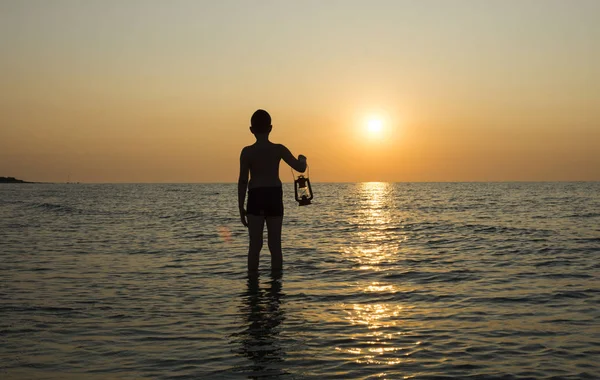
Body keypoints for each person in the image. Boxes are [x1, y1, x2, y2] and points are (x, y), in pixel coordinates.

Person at [238, 109, 307, 274]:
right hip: (274, 196)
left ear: (251, 130)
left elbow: (242, 181)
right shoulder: (279, 149)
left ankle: (252, 287)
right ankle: (276, 290)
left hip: (255, 197)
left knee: (255, 245)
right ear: (270, 128)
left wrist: (241, 207)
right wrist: (303, 158)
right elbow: (300, 167)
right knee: (275, 245)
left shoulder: (247, 152)